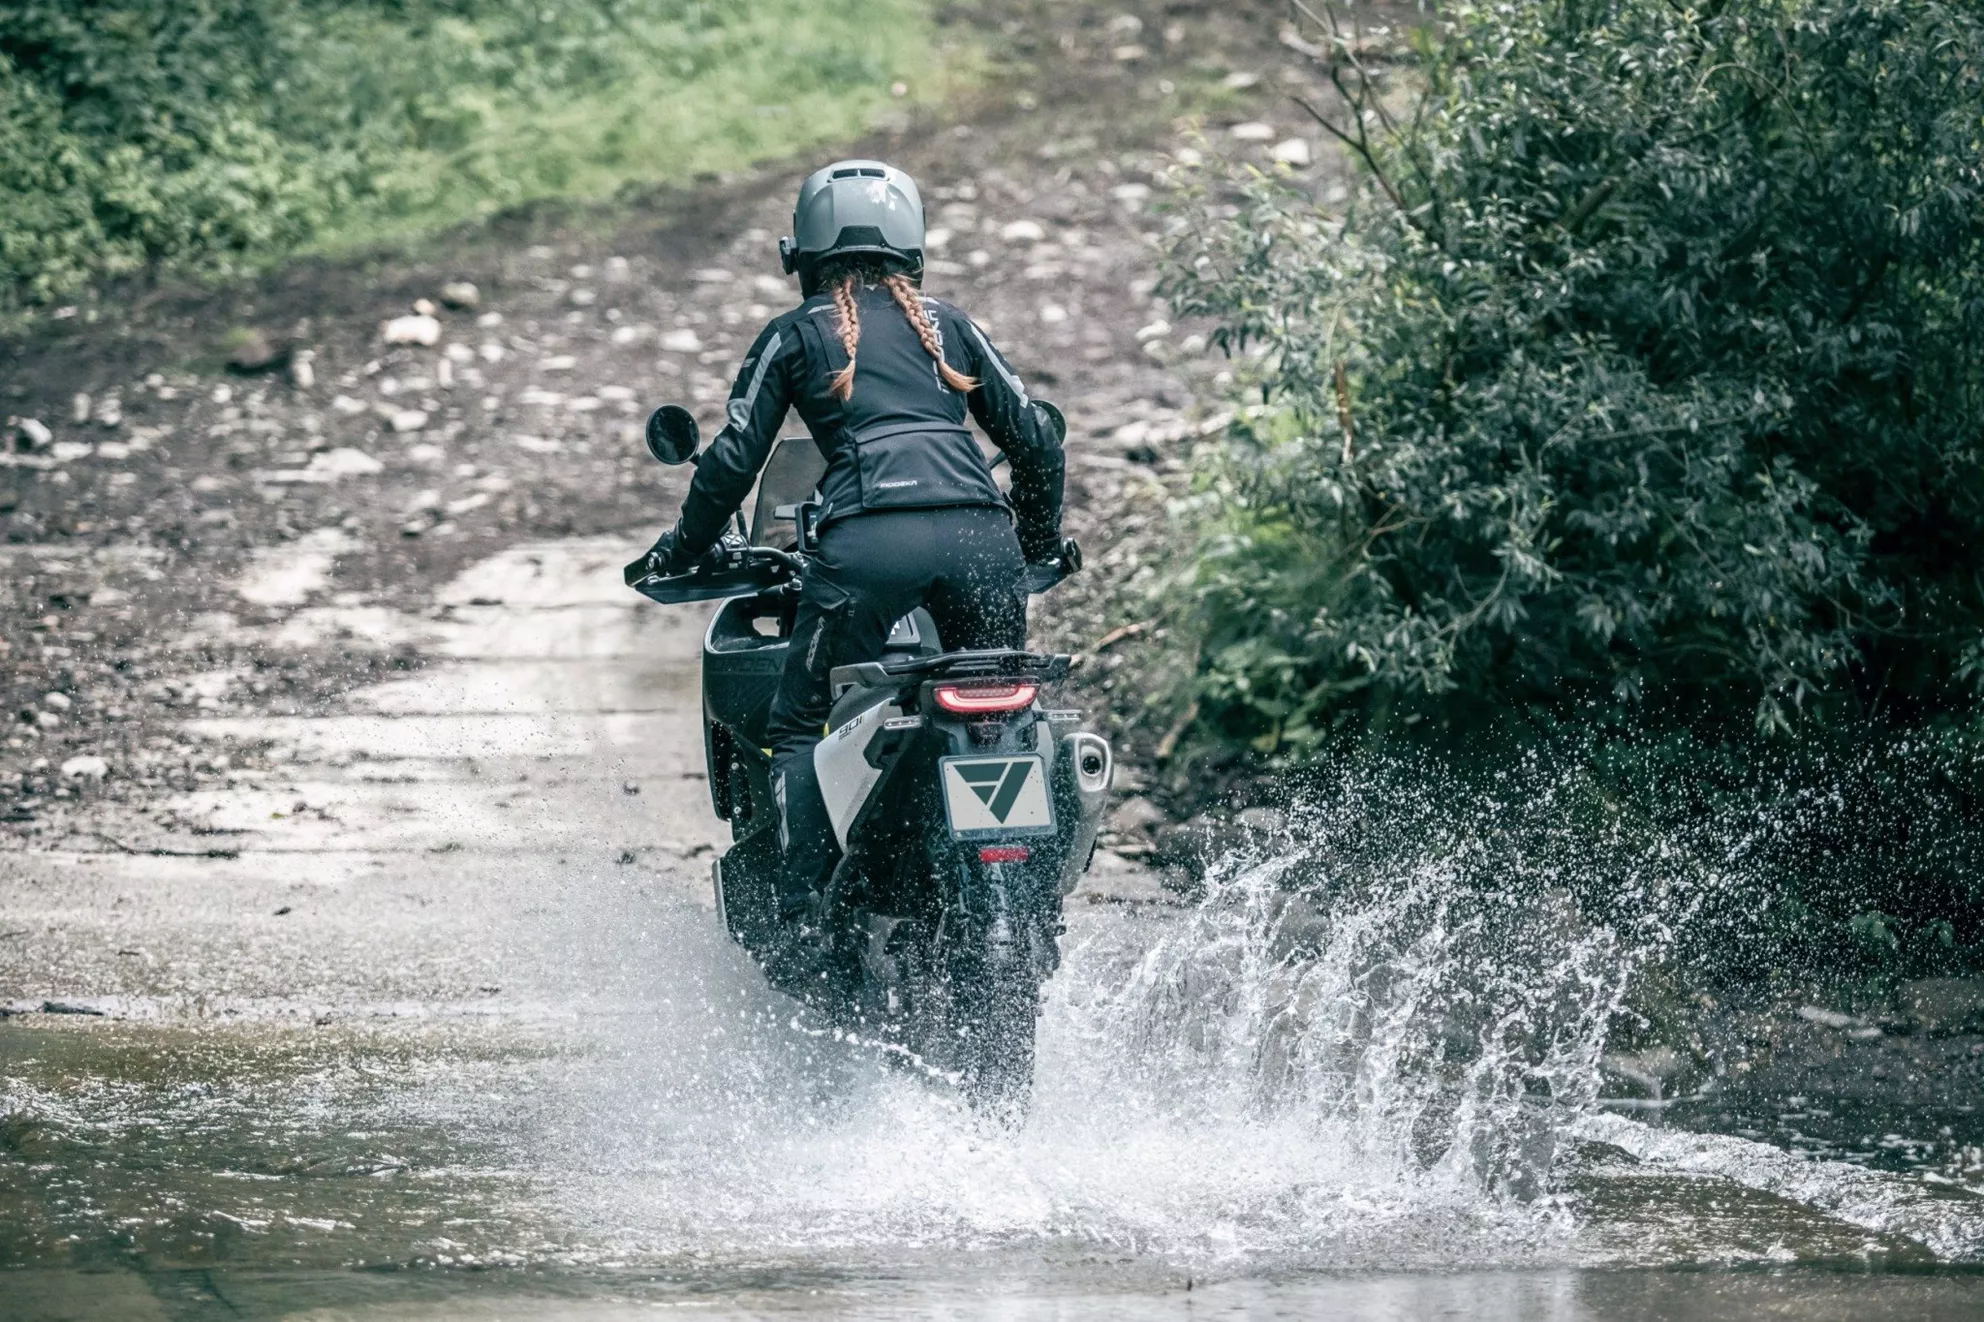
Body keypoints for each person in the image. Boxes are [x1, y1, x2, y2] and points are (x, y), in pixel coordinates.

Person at [639, 159, 1068, 932]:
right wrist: (1035, 539)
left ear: (798, 254)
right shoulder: (952, 327)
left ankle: (806, 910)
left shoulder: (797, 334)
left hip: (871, 545)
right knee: (999, 714)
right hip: (982, 543)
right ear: (913, 248)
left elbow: (736, 457)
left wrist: (681, 547)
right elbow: (1036, 440)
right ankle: (1027, 898)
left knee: (798, 721)